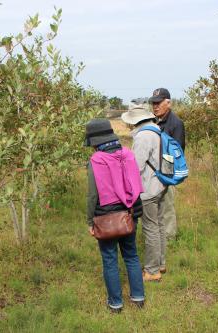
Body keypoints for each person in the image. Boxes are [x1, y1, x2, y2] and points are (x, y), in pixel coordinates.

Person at [85, 118, 145, 313]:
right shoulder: (128, 154)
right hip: (129, 214)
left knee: (110, 259)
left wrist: (89, 221)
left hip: (105, 218)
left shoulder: (96, 161)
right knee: (132, 255)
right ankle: (138, 298)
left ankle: (116, 304)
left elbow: (93, 195)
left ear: (95, 142)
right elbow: (134, 183)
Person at [121, 103, 166, 282]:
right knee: (159, 225)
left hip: (148, 188)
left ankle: (152, 270)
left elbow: (136, 167)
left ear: (135, 121)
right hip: (161, 184)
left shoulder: (143, 137)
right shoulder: (156, 130)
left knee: (150, 228)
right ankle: (160, 263)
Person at [148, 88, 185, 241]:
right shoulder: (153, 121)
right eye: (153, 103)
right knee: (154, 206)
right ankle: (157, 236)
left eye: (159, 103)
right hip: (153, 171)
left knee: (167, 206)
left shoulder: (176, 123)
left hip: (166, 173)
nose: (155, 106)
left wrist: (167, 176)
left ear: (168, 103)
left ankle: (169, 238)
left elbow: (178, 151)